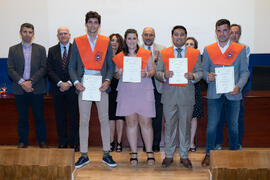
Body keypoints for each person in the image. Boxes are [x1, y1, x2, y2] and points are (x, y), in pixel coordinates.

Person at [69, 11, 117, 168]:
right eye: (90, 22)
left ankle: (106, 154)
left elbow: (110, 66)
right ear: (86, 24)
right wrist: (76, 82)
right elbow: (71, 66)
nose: (92, 25)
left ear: (99, 25)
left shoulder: (105, 41)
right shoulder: (78, 41)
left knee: (104, 120)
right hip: (83, 84)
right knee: (84, 121)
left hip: (101, 85)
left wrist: (108, 80)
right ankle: (83, 155)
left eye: (95, 22)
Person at [201, 19, 249, 167]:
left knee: (233, 125)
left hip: (233, 93)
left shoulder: (240, 49)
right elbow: (203, 70)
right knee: (212, 126)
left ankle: (234, 153)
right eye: (219, 30)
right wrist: (207, 76)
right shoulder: (208, 49)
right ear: (216, 32)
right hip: (214, 93)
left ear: (229, 31)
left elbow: (245, 72)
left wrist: (239, 86)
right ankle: (209, 153)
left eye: (225, 30)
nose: (222, 33)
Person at [156, 26, 203, 169]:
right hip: (169, 97)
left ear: (186, 36)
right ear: (172, 36)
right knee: (169, 127)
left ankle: (184, 156)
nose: (179, 37)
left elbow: (200, 72)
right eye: (176, 35)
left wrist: (193, 76)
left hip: (187, 97)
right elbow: (157, 72)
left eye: (182, 35)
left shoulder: (194, 53)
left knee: (185, 127)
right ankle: (169, 155)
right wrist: (164, 75)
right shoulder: (164, 53)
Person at [113, 29, 156, 166]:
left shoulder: (145, 54)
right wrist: (118, 74)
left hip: (144, 90)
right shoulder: (120, 56)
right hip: (127, 91)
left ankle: (149, 153)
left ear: (138, 40)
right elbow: (115, 75)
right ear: (125, 40)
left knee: (146, 123)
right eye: (129, 38)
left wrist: (147, 74)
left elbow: (153, 70)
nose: (131, 41)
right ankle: (133, 153)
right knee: (131, 123)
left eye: (134, 38)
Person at [7, 23, 48, 148]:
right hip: (20, 89)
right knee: (22, 117)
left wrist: (31, 81)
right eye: (25, 31)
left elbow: (43, 68)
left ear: (33, 34)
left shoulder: (41, 49)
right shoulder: (13, 49)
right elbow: (10, 69)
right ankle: (23, 141)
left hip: (36, 88)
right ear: (20, 33)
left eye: (30, 32)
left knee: (39, 116)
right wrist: (22, 82)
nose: (27, 34)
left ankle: (42, 141)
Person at [215, 24, 251, 150]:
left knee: (237, 119)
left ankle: (236, 144)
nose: (234, 35)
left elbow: (242, 69)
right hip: (220, 87)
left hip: (237, 88)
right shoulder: (219, 48)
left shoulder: (244, 48)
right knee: (220, 117)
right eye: (232, 32)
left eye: (237, 33)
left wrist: (238, 86)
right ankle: (218, 142)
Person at [47, 26, 79, 152]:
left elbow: (78, 68)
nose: (63, 35)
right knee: (60, 117)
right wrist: (60, 83)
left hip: (72, 89)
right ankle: (62, 142)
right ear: (57, 36)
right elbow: (49, 70)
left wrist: (70, 83)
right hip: (58, 89)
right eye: (60, 34)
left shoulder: (76, 49)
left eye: (65, 33)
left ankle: (74, 143)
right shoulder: (52, 50)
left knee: (73, 117)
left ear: (69, 35)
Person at [141, 27, 165, 152]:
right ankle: (146, 143)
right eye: (146, 35)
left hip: (158, 85)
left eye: (151, 35)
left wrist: (155, 61)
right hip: (141, 86)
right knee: (144, 115)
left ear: (154, 36)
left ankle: (155, 143)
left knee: (157, 115)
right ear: (142, 36)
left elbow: (164, 69)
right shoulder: (136, 49)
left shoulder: (162, 49)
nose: (148, 37)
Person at [185, 37, 204, 152]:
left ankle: (191, 142)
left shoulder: (198, 59)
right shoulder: (177, 58)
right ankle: (184, 142)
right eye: (186, 44)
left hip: (194, 88)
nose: (189, 46)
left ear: (195, 47)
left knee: (193, 116)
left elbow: (200, 73)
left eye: (191, 44)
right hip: (180, 90)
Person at [108, 33, 125, 152]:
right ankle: (110, 142)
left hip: (121, 87)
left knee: (119, 116)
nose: (114, 42)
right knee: (110, 116)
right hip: (108, 87)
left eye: (117, 41)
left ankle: (119, 142)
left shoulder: (124, 56)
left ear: (120, 43)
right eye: (112, 40)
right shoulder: (105, 56)